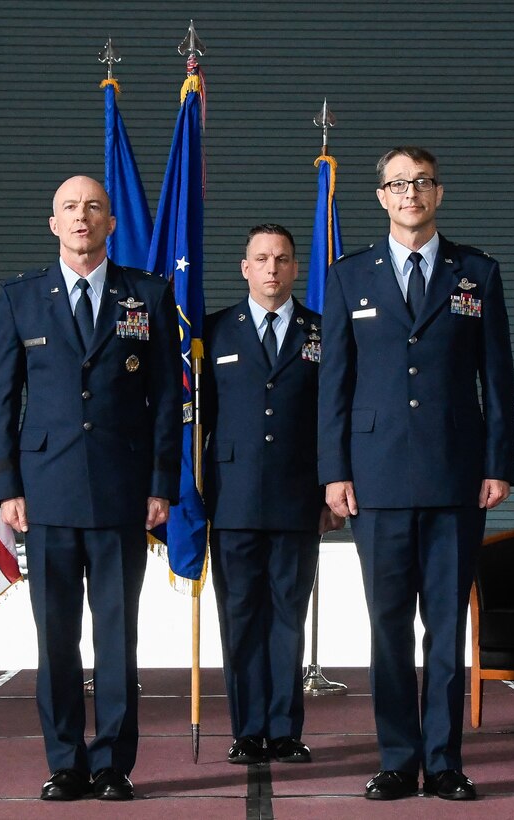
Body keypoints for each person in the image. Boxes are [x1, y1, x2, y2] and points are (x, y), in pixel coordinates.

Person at [318, 147, 514, 801]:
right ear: (381, 196)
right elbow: (334, 385)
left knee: (446, 627)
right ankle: (399, 761)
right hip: (375, 479)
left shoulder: (476, 274)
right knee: (388, 628)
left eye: (422, 182)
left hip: (457, 476)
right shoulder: (349, 276)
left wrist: (499, 464)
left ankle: (445, 760)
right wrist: (334, 472)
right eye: (398, 184)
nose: (411, 194)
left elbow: (498, 378)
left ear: (439, 192)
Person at [0, 175, 183, 802]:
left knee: (118, 637)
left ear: (110, 223)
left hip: (124, 491)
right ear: (54, 223)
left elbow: (166, 399)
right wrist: (6, 485)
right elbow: (0, 397)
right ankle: (66, 762)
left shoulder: (148, 295)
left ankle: (113, 765)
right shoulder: (21, 297)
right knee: (57, 637)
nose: (81, 216)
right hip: (45, 493)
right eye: (69, 207)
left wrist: (162, 483)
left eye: (93, 206)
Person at [202, 223, 344, 767]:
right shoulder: (213, 331)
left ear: (295, 267)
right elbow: (198, 420)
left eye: (281, 259)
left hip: (297, 498)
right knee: (239, 617)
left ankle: (284, 730)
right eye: (261, 258)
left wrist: (330, 489)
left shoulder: (322, 331)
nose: (271, 268)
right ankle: (247, 729)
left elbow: (334, 416)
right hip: (232, 498)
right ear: (244, 268)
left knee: (288, 614)